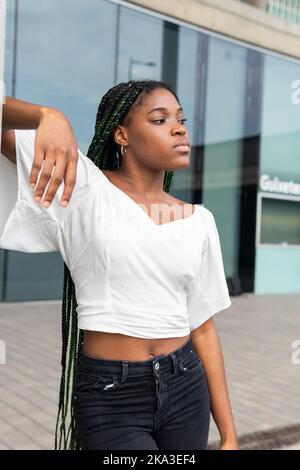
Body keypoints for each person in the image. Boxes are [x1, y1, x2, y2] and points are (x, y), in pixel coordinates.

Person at [0, 80, 239, 450]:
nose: (180, 128)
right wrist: (46, 115)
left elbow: (204, 328)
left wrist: (230, 435)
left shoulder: (199, 222)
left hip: (185, 385)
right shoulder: (81, 187)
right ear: (122, 134)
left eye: (181, 119)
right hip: (112, 395)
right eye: (160, 120)